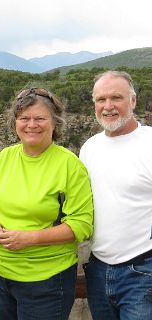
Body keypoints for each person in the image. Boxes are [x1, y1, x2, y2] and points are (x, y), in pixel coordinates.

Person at [0, 87, 93, 320]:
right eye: (24, 118)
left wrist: (28, 239)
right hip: (0, 273)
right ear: (14, 122)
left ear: (55, 123)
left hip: (46, 281)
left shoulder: (69, 165)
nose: (31, 124)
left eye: (40, 118)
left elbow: (81, 225)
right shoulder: (3, 158)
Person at [79, 70, 152, 320]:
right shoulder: (90, 147)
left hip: (143, 271)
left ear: (132, 101)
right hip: (98, 269)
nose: (108, 106)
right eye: (101, 100)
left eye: (116, 98)